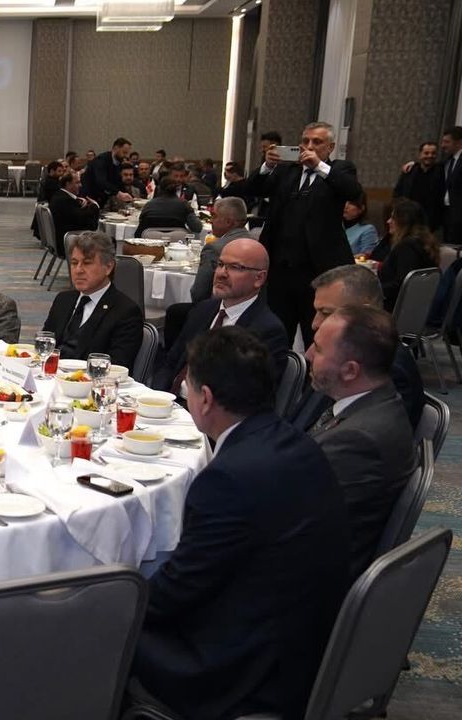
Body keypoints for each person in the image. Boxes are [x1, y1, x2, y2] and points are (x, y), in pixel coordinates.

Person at [131, 327, 349, 720]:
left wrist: (113, 602)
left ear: (206, 399)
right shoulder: (298, 444)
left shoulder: (226, 480)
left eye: (188, 388)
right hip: (305, 645)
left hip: (239, 672)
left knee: (90, 626)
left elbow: (176, 592)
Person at [305, 305, 416, 576]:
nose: (308, 354)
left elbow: (296, 517)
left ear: (350, 371)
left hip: (311, 578)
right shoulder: (377, 402)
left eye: (318, 349)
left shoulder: (358, 442)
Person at [247, 121, 363, 344]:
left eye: (317, 142)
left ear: (330, 147)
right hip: (281, 269)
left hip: (318, 271)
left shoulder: (339, 170)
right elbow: (253, 188)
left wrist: (319, 165)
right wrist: (266, 167)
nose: (309, 146)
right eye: (305, 141)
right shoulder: (286, 171)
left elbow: (352, 191)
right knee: (275, 334)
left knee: (316, 335)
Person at [292, 264, 424, 428]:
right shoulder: (338, 351)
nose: (315, 323)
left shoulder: (385, 367)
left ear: (365, 311)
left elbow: (363, 436)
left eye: (326, 313)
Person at [152, 238, 288, 394]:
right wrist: (157, 396)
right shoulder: (202, 310)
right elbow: (170, 364)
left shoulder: (268, 330)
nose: (222, 273)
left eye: (235, 267)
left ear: (259, 278)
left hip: (211, 407)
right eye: (220, 264)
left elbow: (249, 396)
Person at [42, 231, 143, 369]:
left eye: (87, 263)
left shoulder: (125, 312)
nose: (78, 270)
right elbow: (44, 346)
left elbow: (117, 368)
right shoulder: (63, 300)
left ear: (108, 267)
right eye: (74, 263)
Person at [377, 198, 438, 311]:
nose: (388, 221)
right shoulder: (423, 243)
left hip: (391, 307)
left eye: (393, 218)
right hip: (416, 308)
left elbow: (402, 284)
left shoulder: (407, 247)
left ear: (404, 222)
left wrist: (373, 289)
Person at [191, 197, 255, 302]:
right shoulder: (256, 243)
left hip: (221, 305)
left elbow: (199, 293)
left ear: (228, 222)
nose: (211, 221)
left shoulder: (214, 248)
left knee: (175, 309)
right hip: (251, 305)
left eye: (214, 216)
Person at [393, 141, 442, 230]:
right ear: (420, 154)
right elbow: (397, 192)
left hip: (430, 220)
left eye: (433, 153)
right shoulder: (409, 171)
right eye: (426, 153)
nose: (430, 156)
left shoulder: (442, 172)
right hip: (408, 217)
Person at [48, 171, 100, 249]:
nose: (81, 185)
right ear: (68, 184)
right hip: (67, 242)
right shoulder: (66, 200)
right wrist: (95, 206)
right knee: (107, 239)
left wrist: (77, 201)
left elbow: (75, 215)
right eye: (77, 182)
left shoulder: (59, 195)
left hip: (59, 238)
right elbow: (84, 222)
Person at [135, 176, 201, 237]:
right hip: (178, 241)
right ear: (176, 189)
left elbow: (139, 232)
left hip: (152, 242)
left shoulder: (149, 205)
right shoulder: (184, 205)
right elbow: (197, 228)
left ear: (159, 189)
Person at [82, 137, 134, 206]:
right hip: (90, 199)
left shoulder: (118, 162)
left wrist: (130, 196)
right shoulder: (101, 160)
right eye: (124, 152)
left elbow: (118, 182)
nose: (126, 156)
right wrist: (118, 193)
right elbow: (101, 181)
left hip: (103, 199)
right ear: (116, 148)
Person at [439, 126, 462, 244]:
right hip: (447, 213)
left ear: (458, 143)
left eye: (447, 142)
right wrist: (413, 164)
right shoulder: (448, 160)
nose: (442, 145)